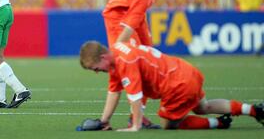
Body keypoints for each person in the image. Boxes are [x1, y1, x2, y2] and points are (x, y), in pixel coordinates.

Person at [79, 41, 264, 131]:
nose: (96, 72)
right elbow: (114, 91)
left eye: (94, 68)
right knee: (203, 107)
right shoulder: (118, 51)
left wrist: (135, 125)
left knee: (168, 124)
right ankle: (253, 110)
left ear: (103, 58)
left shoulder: (125, 62)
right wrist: (104, 121)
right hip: (186, 71)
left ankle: (218, 123)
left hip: (177, 85)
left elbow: (135, 96)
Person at [100, 0, 185, 127]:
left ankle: (135, 116)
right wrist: (118, 50)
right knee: (130, 59)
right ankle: (109, 119)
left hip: (132, 11)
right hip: (118, 15)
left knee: (148, 58)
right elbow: (128, 27)